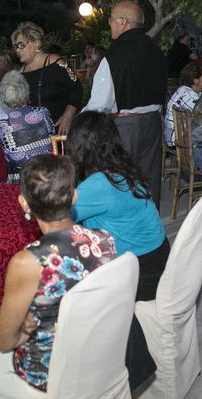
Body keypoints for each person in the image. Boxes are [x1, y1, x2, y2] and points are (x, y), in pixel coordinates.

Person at [0, 154, 116, 396]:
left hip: (48, 372)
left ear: (24, 203)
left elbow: (6, 341)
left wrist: (26, 329)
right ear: (74, 196)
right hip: (95, 354)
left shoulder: (27, 262)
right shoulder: (104, 238)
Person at [66, 111, 169, 303]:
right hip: (158, 258)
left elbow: (57, 219)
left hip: (140, 275)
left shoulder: (97, 185)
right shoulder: (124, 168)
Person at [83, 1, 168, 208]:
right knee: (148, 182)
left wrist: (81, 122)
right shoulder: (156, 50)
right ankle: (150, 231)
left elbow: (100, 105)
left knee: (122, 182)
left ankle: (126, 232)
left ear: (122, 22)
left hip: (125, 127)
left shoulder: (114, 56)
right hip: (154, 122)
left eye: (111, 20)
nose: (109, 25)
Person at [0, 71, 54, 182]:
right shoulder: (43, 113)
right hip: (49, 175)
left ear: (4, 99)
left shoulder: (1, 123)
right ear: (26, 93)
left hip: (21, 182)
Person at [11, 22, 80, 135]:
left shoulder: (55, 62)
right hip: (36, 133)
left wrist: (68, 115)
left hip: (61, 129)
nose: (18, 50)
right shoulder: (21, 73)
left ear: (36, 43)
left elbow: (76, 89)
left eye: (21, 45)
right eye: (16, 46)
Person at [164, 62, 202, 147]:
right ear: (196, 81)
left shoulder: (182, 90)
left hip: (171, 135)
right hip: (177, 141)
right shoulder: (191, 98)